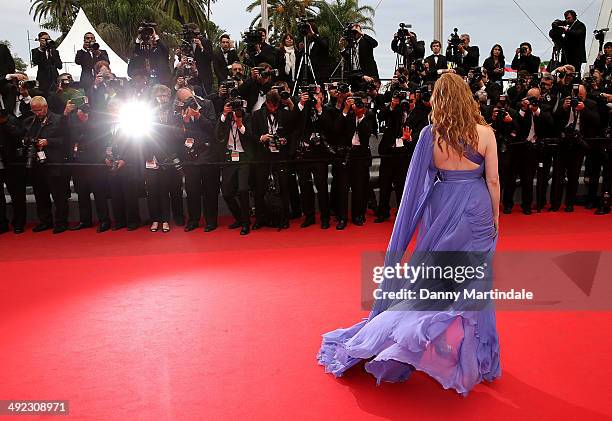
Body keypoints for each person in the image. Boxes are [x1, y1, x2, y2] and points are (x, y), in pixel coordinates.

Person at [318, 73, 501, 396]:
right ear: (467, 97)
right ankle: (468, 357)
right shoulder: (485, 133)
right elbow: (494, 181)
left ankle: (424, 339)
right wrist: (497, 215)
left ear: (438, 99)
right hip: (476, 209)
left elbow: (417, 185)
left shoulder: (431, 135)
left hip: (441, 207)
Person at [26, 96, 71, 233]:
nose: (37, 113)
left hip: (54, 162)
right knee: (40, 195)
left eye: (39, 110)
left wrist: (48, 142)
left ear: (45, 107)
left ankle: (61, 222)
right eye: (34, 110)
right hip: (37, 163)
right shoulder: (31, 121)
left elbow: (66, 140)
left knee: (59, 195)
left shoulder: (58, 119)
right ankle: (45, 221)